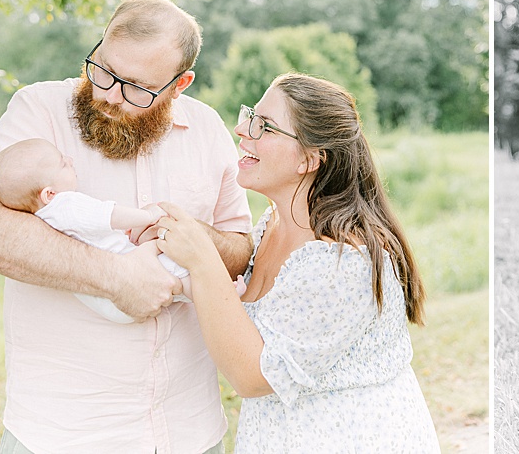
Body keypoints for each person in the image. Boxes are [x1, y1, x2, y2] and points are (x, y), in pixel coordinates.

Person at [0, 0, 253, 454]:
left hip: (190, 431)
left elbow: (240, 252)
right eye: (104, 69)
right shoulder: (38, 110)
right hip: (60, 432)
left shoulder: (209, 129)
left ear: (180, 85)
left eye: (136, 88)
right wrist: (115, 277)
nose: (108, 95)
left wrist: (192, 239)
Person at [154, 73, 440, 453]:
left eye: (265, 126)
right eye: (251, 115)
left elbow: (252, 376)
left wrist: (203, 260)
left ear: (309, 158)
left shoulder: (340, 262)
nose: (242, 129)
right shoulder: (274, 223)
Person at [0, 138, 249, 323]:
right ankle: (223, 295)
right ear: (49, 193)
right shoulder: (65, 203)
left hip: (106, 304)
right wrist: (147, 215)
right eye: (62, 164)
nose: (69, 160)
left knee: (177, 285)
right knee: (177, 268)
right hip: (125, 279)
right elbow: (108, 215)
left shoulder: (44, 217)